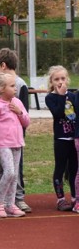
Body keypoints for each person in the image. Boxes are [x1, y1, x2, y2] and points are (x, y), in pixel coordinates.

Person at [0, 48, 31, 213]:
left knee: (14, 175)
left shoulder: (17, 102)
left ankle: (11, 204)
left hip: (17, 143)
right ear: (1, 89)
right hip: (3, 144)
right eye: (12, 86)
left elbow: (27, 122)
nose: (15, 89)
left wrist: (19, 112)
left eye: (15, 85)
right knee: (8, 172)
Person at [44, 66, 78, 211]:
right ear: (51, 81)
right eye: (56, 79)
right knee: (60, 168)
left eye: (63, 78)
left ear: (67, 80)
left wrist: (67, 95)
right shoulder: (50, 97)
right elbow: (58, 113)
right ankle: (61, 199)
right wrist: (62, 95)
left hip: (74, 138)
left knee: (74, 169)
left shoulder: (73, 96)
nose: (60, 82)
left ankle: (75, 197)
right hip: (61, 139)